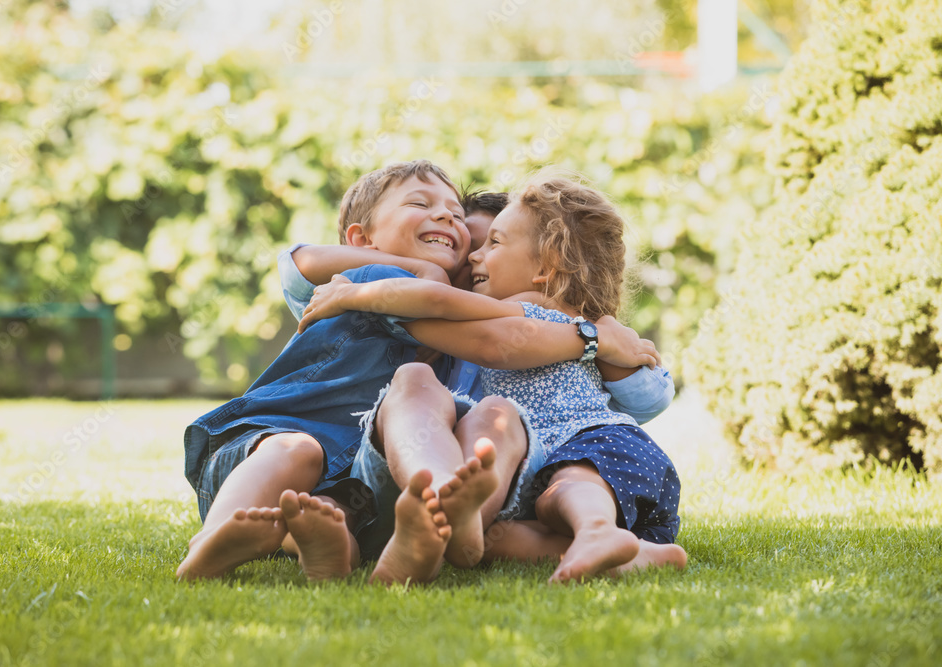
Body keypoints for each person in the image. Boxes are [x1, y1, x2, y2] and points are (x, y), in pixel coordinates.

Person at [177, 160, 660, 583]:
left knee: (341, 510)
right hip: (274, 443)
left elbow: (642, 391)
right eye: (423, 206)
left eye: (483, 246)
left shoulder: (469, 339)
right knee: (298, 450)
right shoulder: (369, 279)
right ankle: (213, 539)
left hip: (357, 478)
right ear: (362, 240)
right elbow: (301, 264)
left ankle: (334, 551)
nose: (469, 257)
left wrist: (598, 340)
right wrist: (592, 338)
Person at [298, 168, 687, 582]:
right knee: (498, 539)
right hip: (545, 470)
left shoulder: (536, 303)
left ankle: (596, 530)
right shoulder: (562, 317)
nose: (475, 257)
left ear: (546, 267)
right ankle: (633, 554)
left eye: (493, 244)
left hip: (590, 444)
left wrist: (354, 295)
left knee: (571, 486)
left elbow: (440, 304)